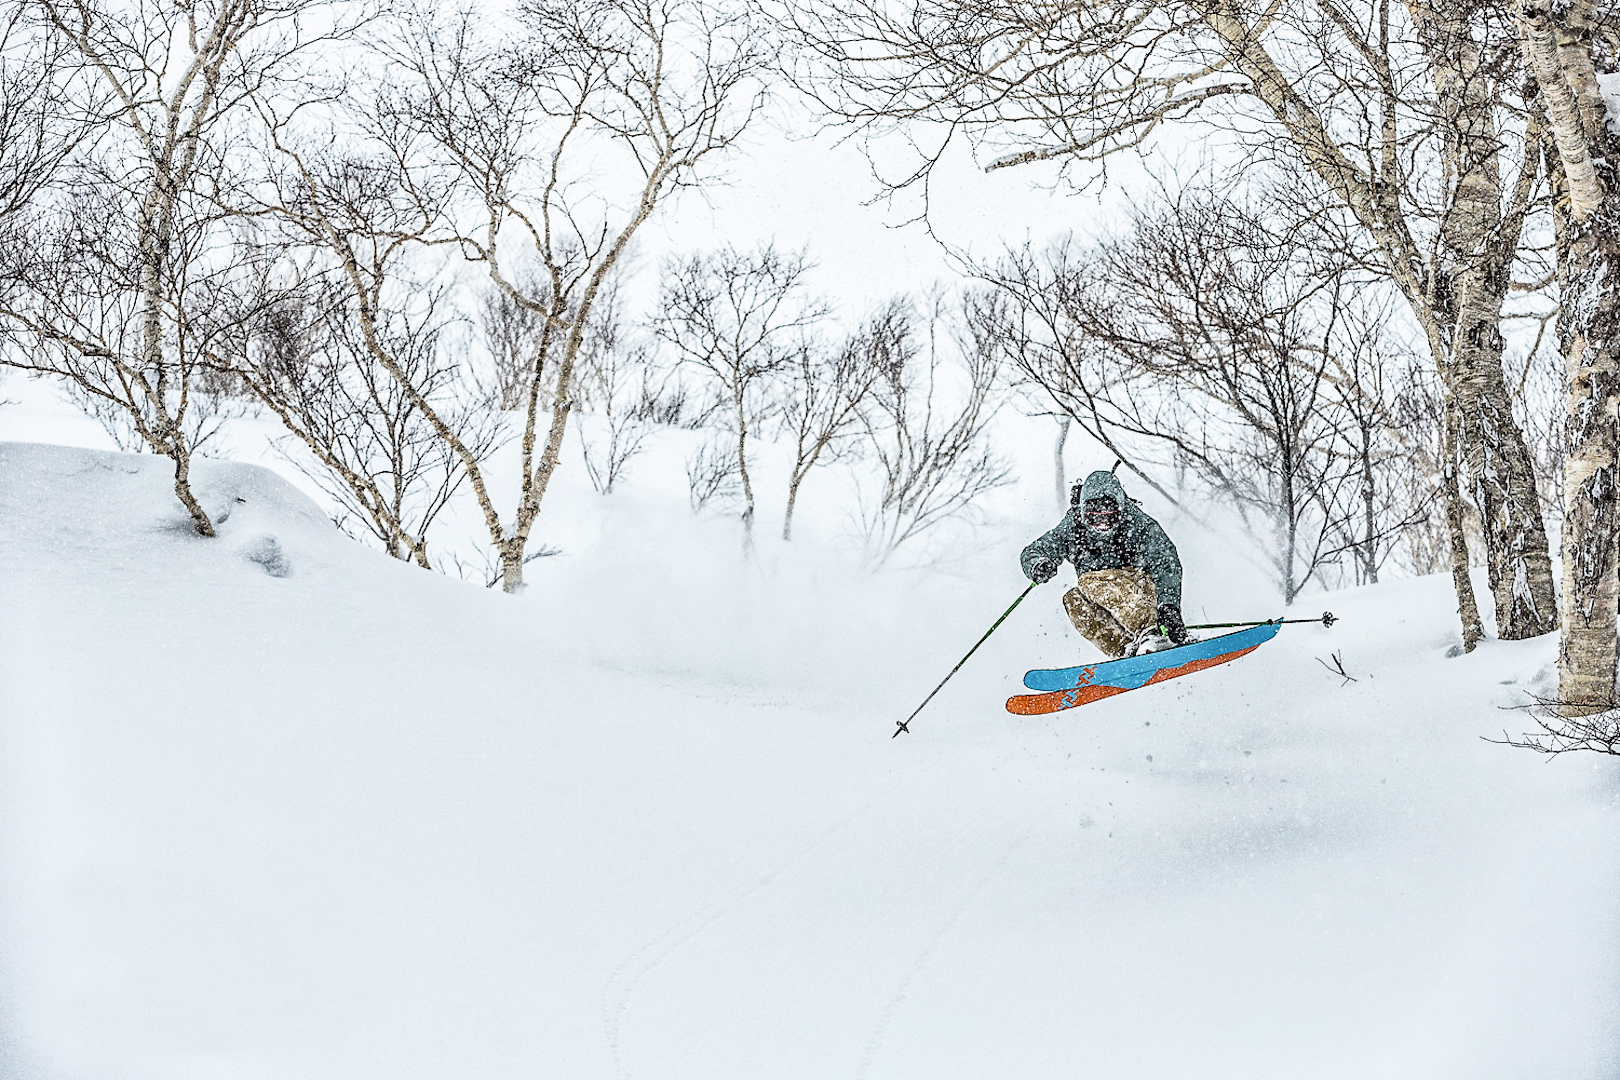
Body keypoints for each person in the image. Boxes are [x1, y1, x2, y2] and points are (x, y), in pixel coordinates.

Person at [1020, 468, 1190, 659]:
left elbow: (1166, 561)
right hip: (1109, 600)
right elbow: (1033, 551)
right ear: (1084, 513)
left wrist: (1169, 606)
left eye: (1110, 518)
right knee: (1073, 600)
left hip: (1141, 593)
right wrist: (1038, 564)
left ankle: (1152, 634)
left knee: (1089, 582)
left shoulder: (1136, 523)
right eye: (1095, 518)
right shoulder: (1073, 528)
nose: (1103, 526)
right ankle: (1127, 648)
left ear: (1120, 510)